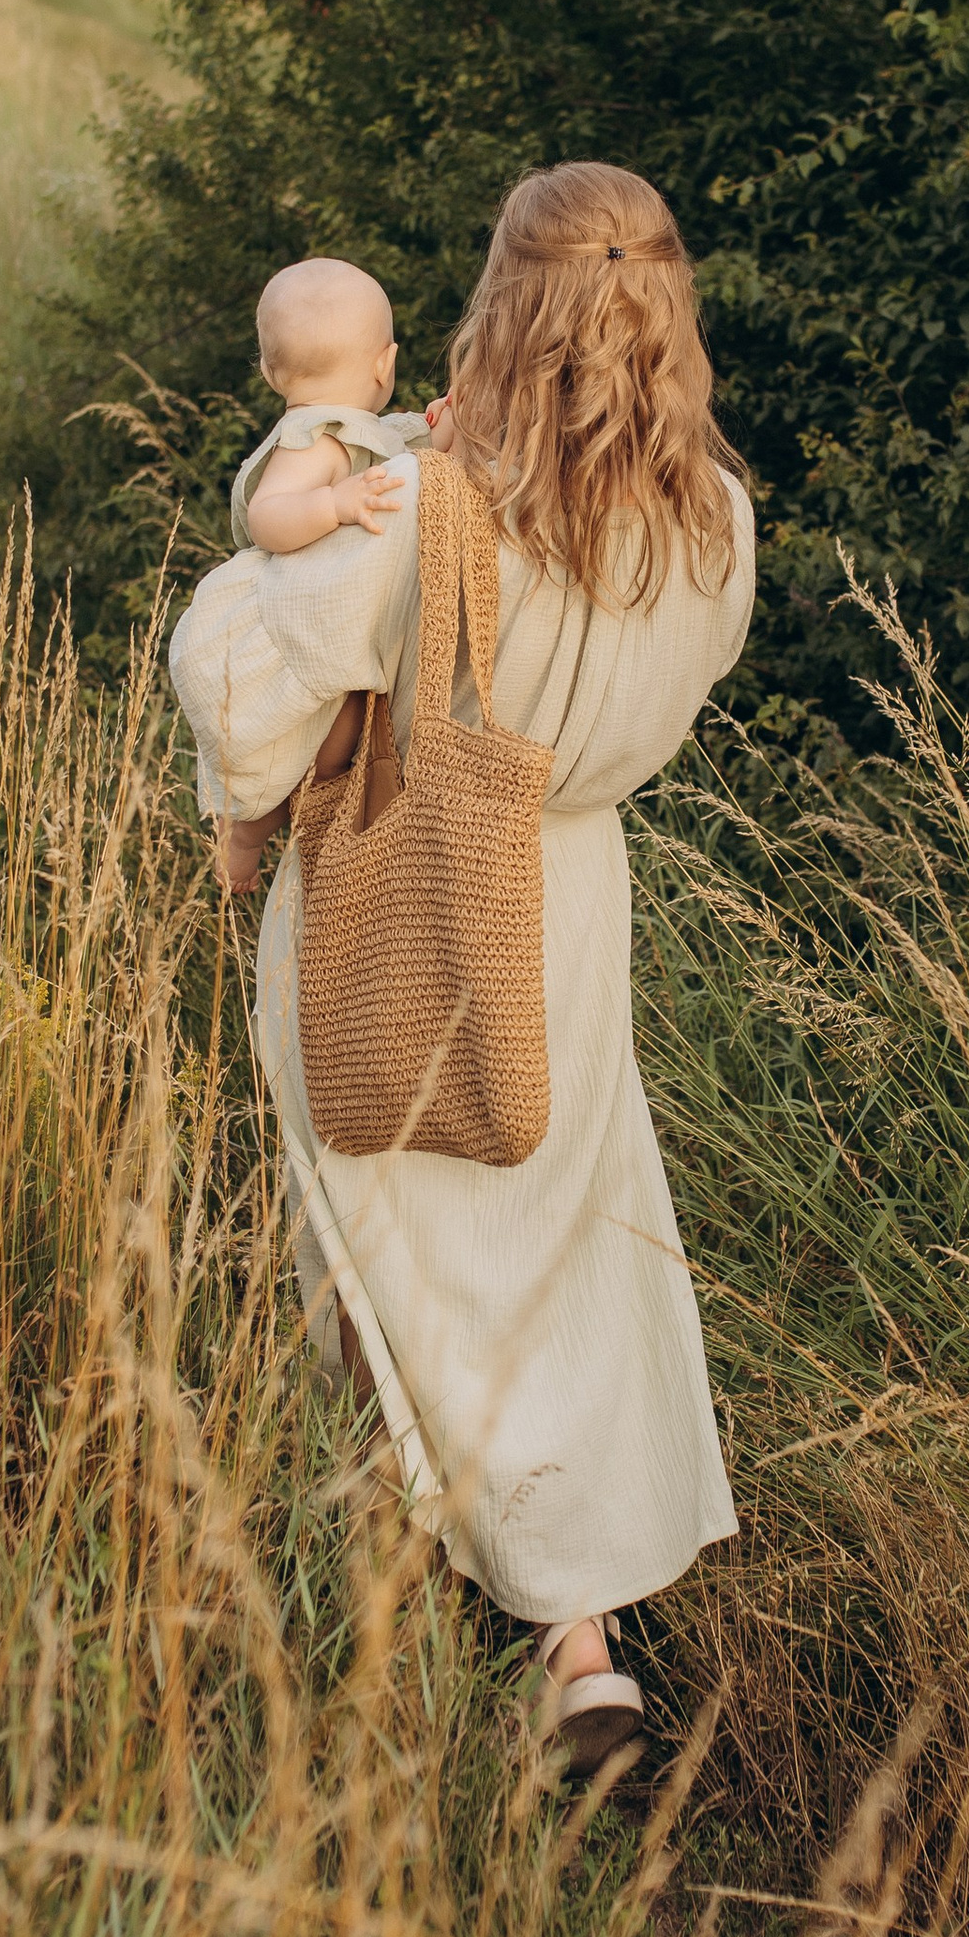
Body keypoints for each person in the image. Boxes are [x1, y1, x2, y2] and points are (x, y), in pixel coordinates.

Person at [168, 162, 753, 1767]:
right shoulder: (713, 515)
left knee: (385, 1239)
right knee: (557, 1250)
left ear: (508, 301)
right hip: (564, 909)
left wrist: (238, 819)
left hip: (400, 886)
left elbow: (237, 676)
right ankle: (582, 1645)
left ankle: (397, 1582)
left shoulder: (427, 507)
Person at [214, 255, 438, 897]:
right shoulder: (312, 438)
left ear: (269, 369)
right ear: (384, 363)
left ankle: (310, 817)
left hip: (334, 620)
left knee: (335, 742)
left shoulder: (360, 433)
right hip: (295, 625)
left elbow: (404, 467)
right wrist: (334, 505)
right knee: (309, 747)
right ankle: (244, 840)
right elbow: (268, 517)